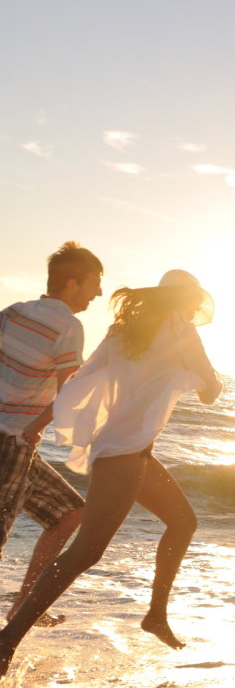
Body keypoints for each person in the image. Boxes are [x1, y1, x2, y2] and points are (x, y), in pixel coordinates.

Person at [0, 270, 223, 678]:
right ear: (183, 300)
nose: (192, 310)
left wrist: (39, 423)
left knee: (183, 521)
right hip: (125, 455)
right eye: (191, 302)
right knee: (86, 552)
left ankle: (155, 615)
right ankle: (7, 639)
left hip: (122, 451)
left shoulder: (122, 331)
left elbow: (77, 380)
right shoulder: (182, 329)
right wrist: (196, 378)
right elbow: (211, 391)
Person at [1, 242, 103, 623]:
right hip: (12, 442)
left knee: (71, 513)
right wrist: (33, 425)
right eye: (95, 283)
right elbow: (69, 394)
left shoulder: (13, 313)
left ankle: (22, 607)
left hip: (20, 444)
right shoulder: (69, 326)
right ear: (73, 284)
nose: (98, 293)